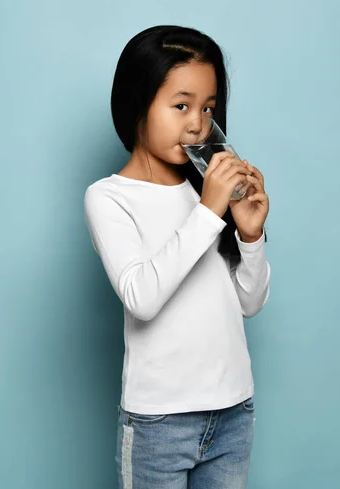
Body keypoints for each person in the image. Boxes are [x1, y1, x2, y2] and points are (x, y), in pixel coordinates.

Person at [84, 25, 270, 489]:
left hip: (233, 411)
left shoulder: (204, 193)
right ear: (138, 103)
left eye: (208, 108)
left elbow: (249, 303)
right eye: (181, 105)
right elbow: (141, 297)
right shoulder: (109, 197)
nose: (197, 124)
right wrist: (210, 211)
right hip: (159, 424)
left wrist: (250, 234)